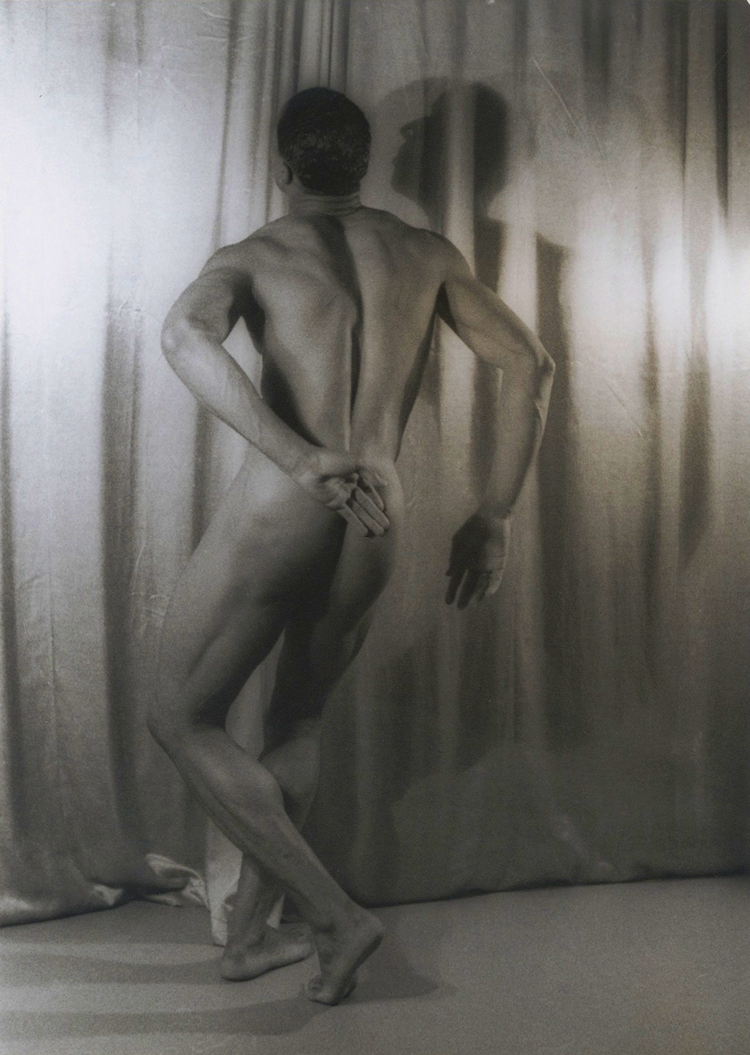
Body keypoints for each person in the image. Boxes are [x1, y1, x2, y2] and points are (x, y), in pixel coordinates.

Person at [149, 87, 554, 1006]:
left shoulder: (255, 255)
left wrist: (298, 458)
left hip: (287, 500)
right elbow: (531, 363)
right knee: (297, 718)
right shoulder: (427, 254)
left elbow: (182, 335)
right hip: (378, 505)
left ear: (282, 167)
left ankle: (332, 914)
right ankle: (250, 939)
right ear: (362, 167)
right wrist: (492, 514)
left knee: (177, 715)